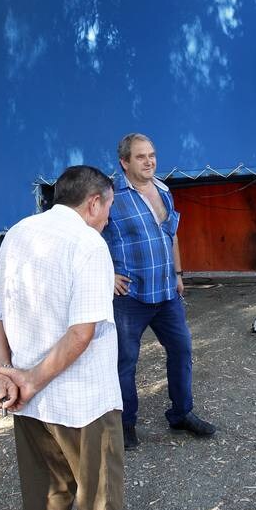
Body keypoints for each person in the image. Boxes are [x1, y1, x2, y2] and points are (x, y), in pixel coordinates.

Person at [0, 165, 134, 510]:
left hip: (30, 404)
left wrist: (8, 371)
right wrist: (26, 378)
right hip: (83, 403)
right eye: (109, 206)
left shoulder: (19, 232)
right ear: (93, 202)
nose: (109, 217)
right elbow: (81, 333)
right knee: (97, 507)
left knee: (44, 500)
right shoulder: (89, 245)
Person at [103, 133, 216, 450]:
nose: (149, 161)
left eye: (151, 154)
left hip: (167, 293)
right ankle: (126, 424)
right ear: (124, 162)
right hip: (130, 297)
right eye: (140, 157)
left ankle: (181, 414)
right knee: (125, 362)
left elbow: (172, 236)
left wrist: (178, 273)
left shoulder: (164, 191)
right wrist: (107, 274)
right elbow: (89, 236)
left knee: (181, 351)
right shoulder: (110, 196)